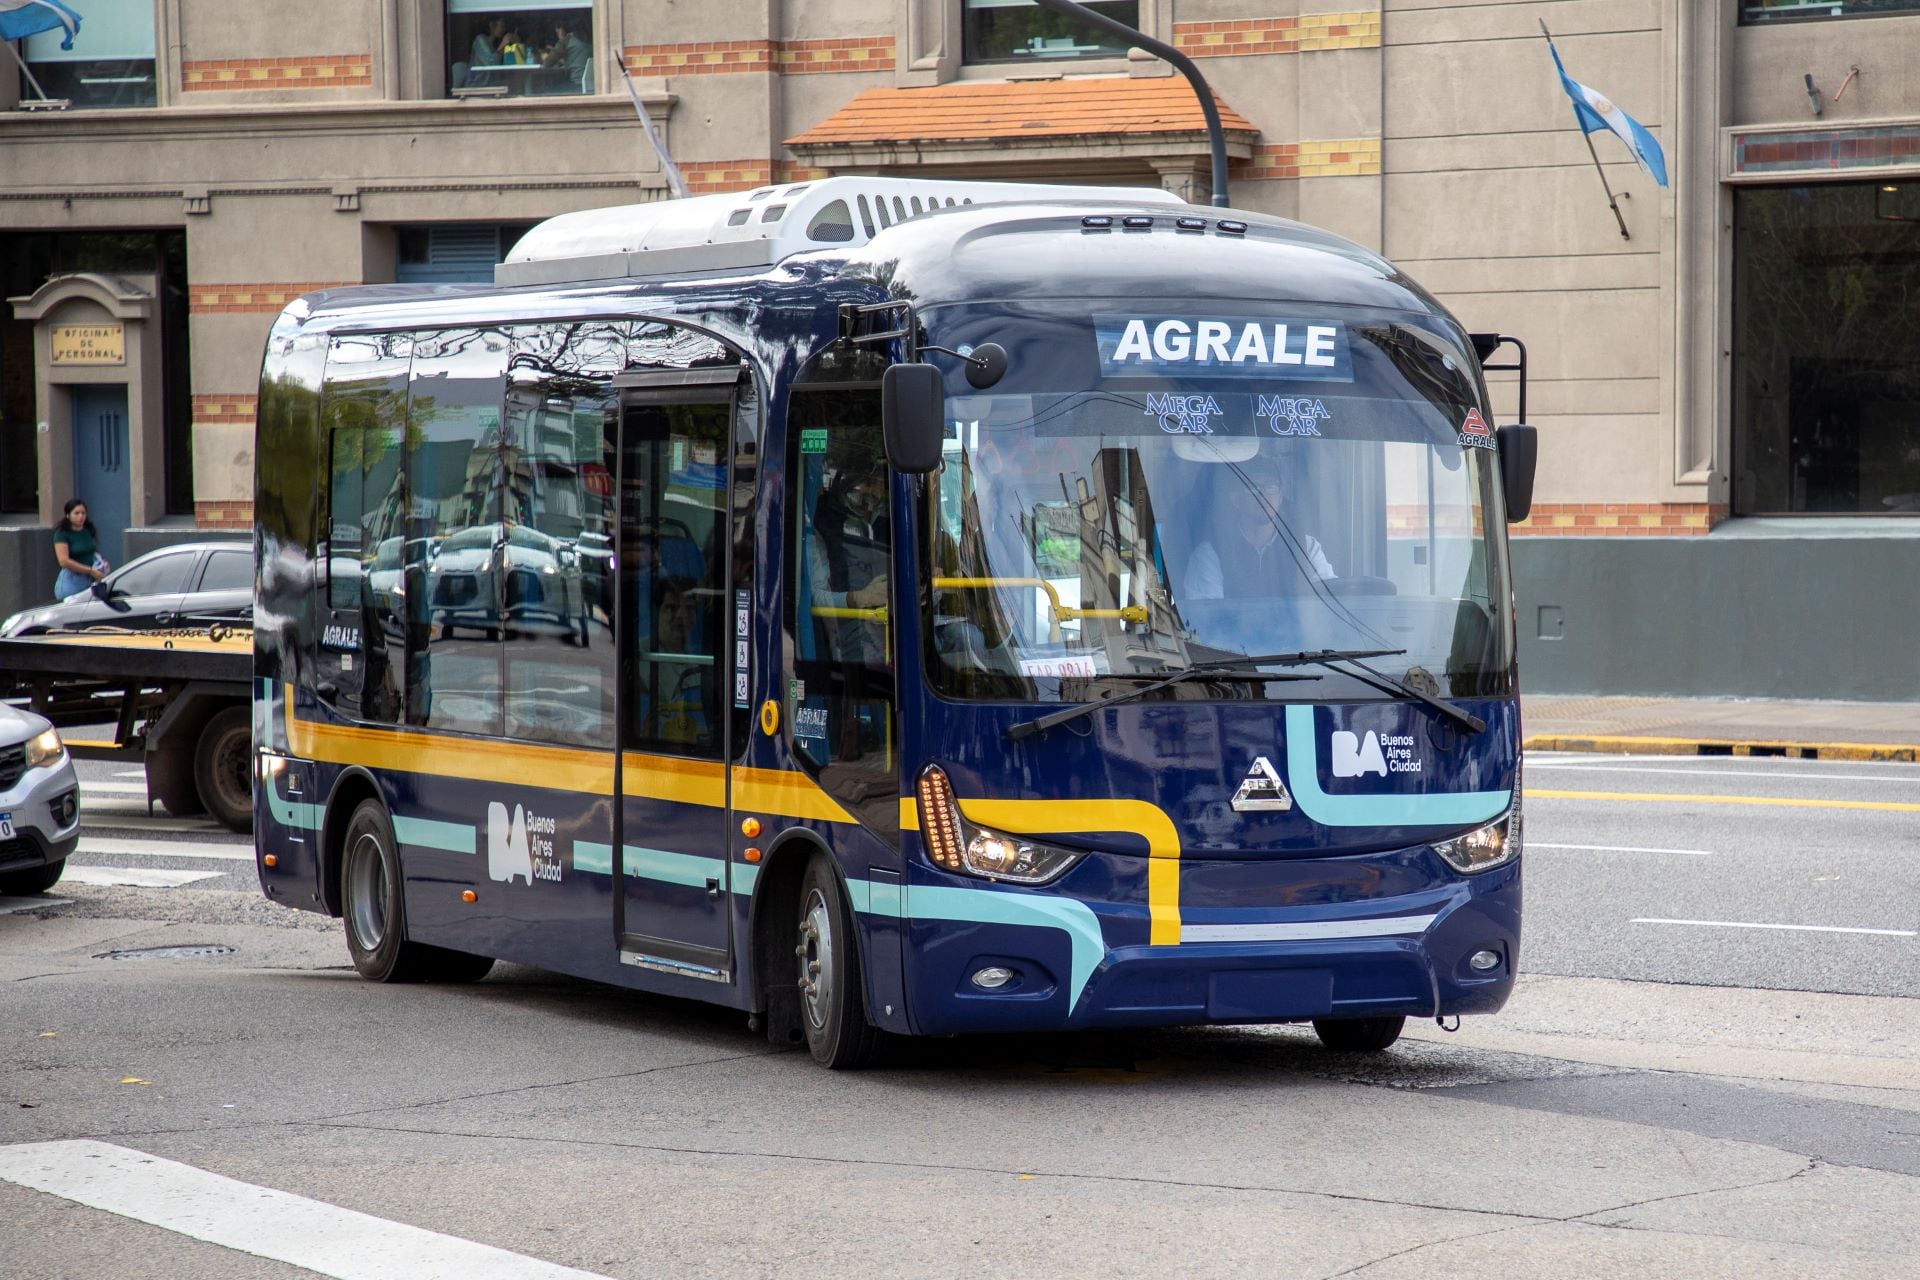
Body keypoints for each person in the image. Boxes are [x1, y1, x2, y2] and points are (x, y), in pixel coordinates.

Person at [1185, 467, 1335, 599]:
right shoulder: (1210, 553)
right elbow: (1208, 618)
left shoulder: (1306, 546)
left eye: (1271, 486)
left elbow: (1329, 599)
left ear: (1281, 496)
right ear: (1235, 499)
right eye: (1252, 488)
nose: (1263, 496)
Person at [51, 498, 108, 600]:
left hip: (90, 579)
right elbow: (64, 561)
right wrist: (90, 571)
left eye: (83, 513)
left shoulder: (87, 531)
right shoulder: (62, 534)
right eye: (76, 513)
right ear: (68, 515)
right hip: (72, 580)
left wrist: (101, 565)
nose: (81, 516)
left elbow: (90, 552)